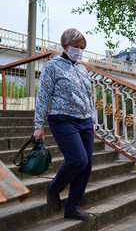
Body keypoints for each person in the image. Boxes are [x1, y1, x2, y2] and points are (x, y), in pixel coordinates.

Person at [33, 28, 94, 221]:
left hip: (85, 121)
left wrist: (92, 118)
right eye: (76, 47)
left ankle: (72, 208)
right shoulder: (52, 66)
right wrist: (38, 125)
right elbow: (43, 96)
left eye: (82, 47)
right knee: (78, 160)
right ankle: (53, 188)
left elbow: (87, 95)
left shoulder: (82, 68)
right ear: (65, 45)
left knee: (87, 166)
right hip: (62, 119)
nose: (79, 50)